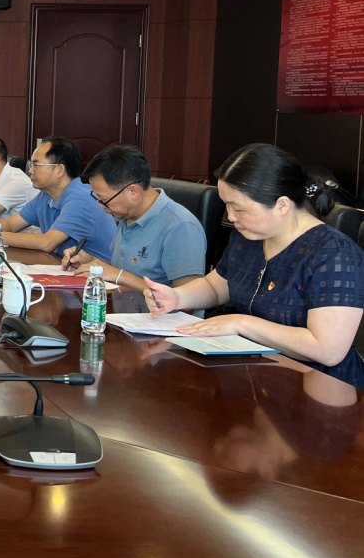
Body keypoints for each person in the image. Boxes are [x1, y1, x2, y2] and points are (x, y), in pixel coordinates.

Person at [146, 143, 364, 389]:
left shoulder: (333, 254)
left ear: (282, 205)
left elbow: (327, 349)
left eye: (239, 209)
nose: (231, 217)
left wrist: (241, 324)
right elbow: (216, 288)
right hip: (255, 376)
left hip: (319, 388)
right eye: (227, 205)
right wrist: (177, 297)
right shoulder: (249, 237)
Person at [61, 144, 206, 291]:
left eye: (103, 199)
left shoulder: (181, 227)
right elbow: (129, 270)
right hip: (120, 302)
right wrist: (93, 263)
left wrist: (119, 275)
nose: (100, 205)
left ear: (133, 192)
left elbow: (188, 297)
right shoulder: (126, 215)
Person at [0, 135, 114, 262]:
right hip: (64, 267)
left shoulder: (80, 198)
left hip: (102, 280)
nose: (31, 171)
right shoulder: (45, 195)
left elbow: (48, 242)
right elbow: (11, 224)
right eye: (30, 165)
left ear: (59, 170)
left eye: (36, 165)